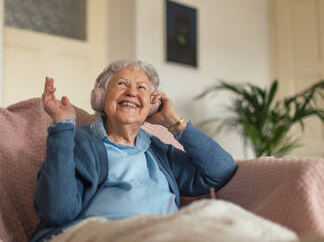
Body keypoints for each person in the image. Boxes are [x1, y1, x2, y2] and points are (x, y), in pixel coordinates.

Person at [30, 59, 237, 242]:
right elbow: (56, 211)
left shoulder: (159, 153)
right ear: (100, 97)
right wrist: (63, 126)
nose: (132, 92)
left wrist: (175, 122)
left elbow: (222, 169)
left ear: (152, 105)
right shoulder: (78, 142)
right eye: (121, 84)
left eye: (142, 88)